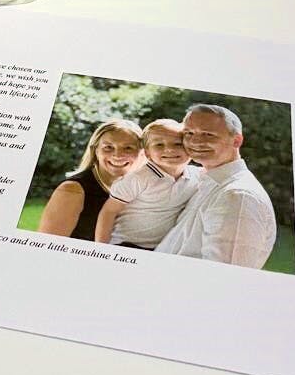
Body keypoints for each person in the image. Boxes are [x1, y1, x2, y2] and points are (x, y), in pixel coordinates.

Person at [156, 104, 277, 268]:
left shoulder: (238, 196)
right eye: (189, 133)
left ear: (236, 141)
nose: (195, 141)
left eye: (208, 134)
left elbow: (224, 276)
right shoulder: (203, 181)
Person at [95, 119, 200, 248]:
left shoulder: (197, 175)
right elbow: (109, 212)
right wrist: (101, 248)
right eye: (159, 145)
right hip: (126, 244)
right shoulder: (138, 178)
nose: (169, 149)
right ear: (147, 154)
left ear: (191, 148)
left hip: (163, 248)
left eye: (178, 144)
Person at [38, 119, 143, 240]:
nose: (117, 155)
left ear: (142, 153)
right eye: (108, 147)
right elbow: (45, 245)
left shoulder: (143, 190)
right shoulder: (72, 190)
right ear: (96, 150)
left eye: (128, 148)